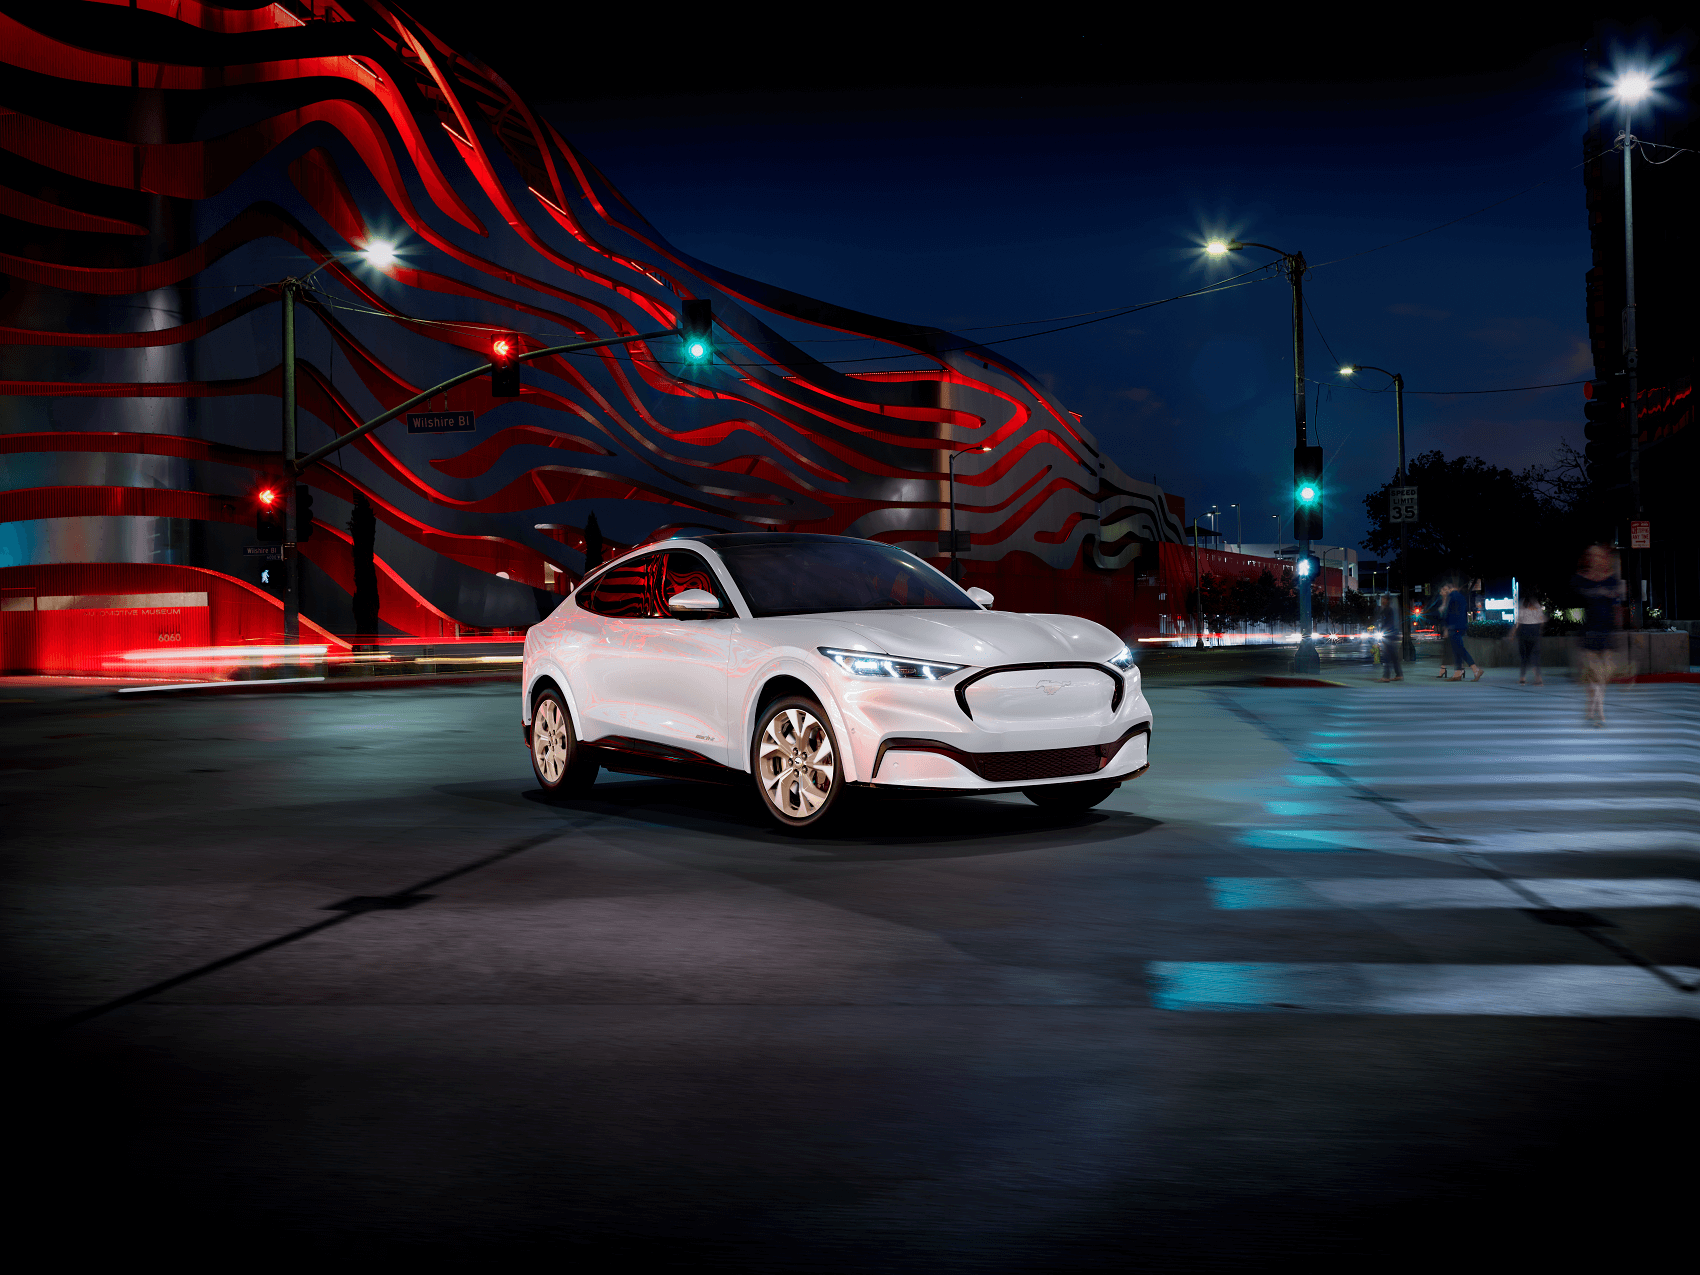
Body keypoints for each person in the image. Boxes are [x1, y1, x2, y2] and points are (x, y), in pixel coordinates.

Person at [1572, 544, 1624, 727]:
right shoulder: (1581, 579)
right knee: (1593, 678)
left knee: (1601, 678)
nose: (1596, 559)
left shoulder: (1612, 580)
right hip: (1589, 634)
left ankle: (1595, 708)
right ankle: (1598, 711)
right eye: (1592, 556)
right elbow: (1575, 598)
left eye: (1599, 555)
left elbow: (1616, 604)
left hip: (1607, 634)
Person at [1440, 581, 1482, 681]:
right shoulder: (1461, 597)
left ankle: (1476, 669)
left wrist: (1446, 627)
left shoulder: (1451, 596)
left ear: (1449, 589)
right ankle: (1457, 673)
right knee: (1457, 649)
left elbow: (1448, 613)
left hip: (1453, 627)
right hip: (1461, 627)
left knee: (1460, 649)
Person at [1515, 589, 1545, 686]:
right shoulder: (1536, 605)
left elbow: (1519, 621)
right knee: (1535, 656)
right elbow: (1542, 621)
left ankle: (1522, 678)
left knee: (1524, 656)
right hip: (1534, 632)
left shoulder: (1522, 604)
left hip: (1524, 632)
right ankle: (1538, 679)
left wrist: (1513, 633)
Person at [1376, 594, 1403, 681]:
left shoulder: (1388, 610)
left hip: (1389, 636)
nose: (1382, 601)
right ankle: (1399, 674)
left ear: (1387, 600)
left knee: (1387, 656)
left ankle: (1386, 676)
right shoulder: (1387, 610)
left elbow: (1387, 623)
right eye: (1381, 599)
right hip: (1391, 635)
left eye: (1383, 599)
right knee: (1394, 656)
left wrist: (1385, 633)